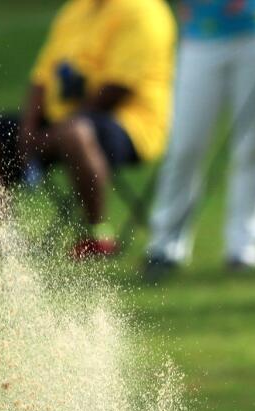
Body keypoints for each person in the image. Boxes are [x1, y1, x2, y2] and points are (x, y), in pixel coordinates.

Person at [21, 0, 176, 258]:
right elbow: (41, 77)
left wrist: (55, 132)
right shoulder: (75, 9)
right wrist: (29, 130)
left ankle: (97, 235)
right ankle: (5, 232)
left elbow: (119, 87)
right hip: (63, 120)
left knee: (76, 132)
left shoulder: (145, 11)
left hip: (129, 124)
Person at [142, 0, 255, 280]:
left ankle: (244, 247)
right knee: (184, 146)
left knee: (251, 146)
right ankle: (165, 245)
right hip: (199, 34)